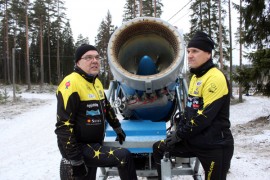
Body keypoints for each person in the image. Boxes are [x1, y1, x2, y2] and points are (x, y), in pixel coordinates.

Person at [152, 31, 234, 180]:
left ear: (208, 54)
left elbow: (204, 117)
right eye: (188, 51)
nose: (189, 55)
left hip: (214, 145)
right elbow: (190, 109)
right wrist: (180, 125)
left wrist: (179, 134)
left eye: (195, 51)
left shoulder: (215, 77)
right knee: (158, 148)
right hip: (194, 140)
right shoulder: (196, 77)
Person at [55, 44, 138, 180]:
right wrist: (75, 159)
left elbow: (106, 108)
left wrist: (117, 127)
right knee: (124, 157)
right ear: (77, 62)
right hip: (80, 148)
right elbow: (63, 126)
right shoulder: (71, 83)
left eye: (97, 57)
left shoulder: (96, 82)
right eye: (88, 58)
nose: (94, 61)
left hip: (94, 144)